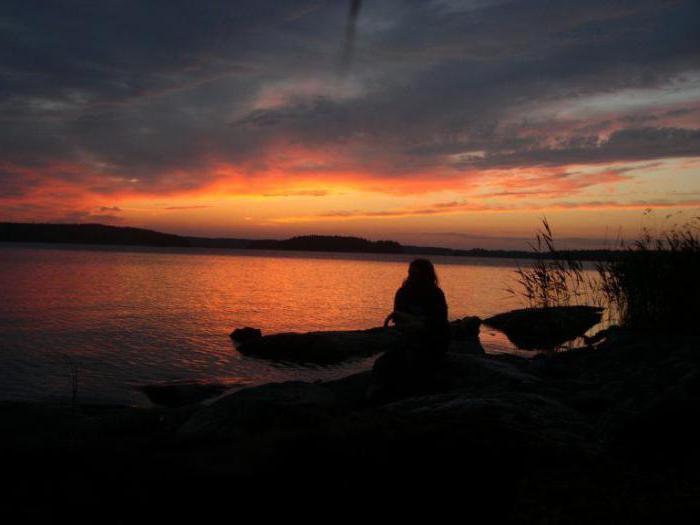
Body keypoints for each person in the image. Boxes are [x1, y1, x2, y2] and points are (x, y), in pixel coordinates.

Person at [369, 259, 451, 400]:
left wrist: (419, 323)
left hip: (432, 339)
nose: (413, 276)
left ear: (427, 275)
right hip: (409, 337)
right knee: (383, 364)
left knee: (415, 363)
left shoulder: (436, 293)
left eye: (417, 273)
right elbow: (398, 319)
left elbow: (440, 322)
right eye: (411, 273)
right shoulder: (403, 292)